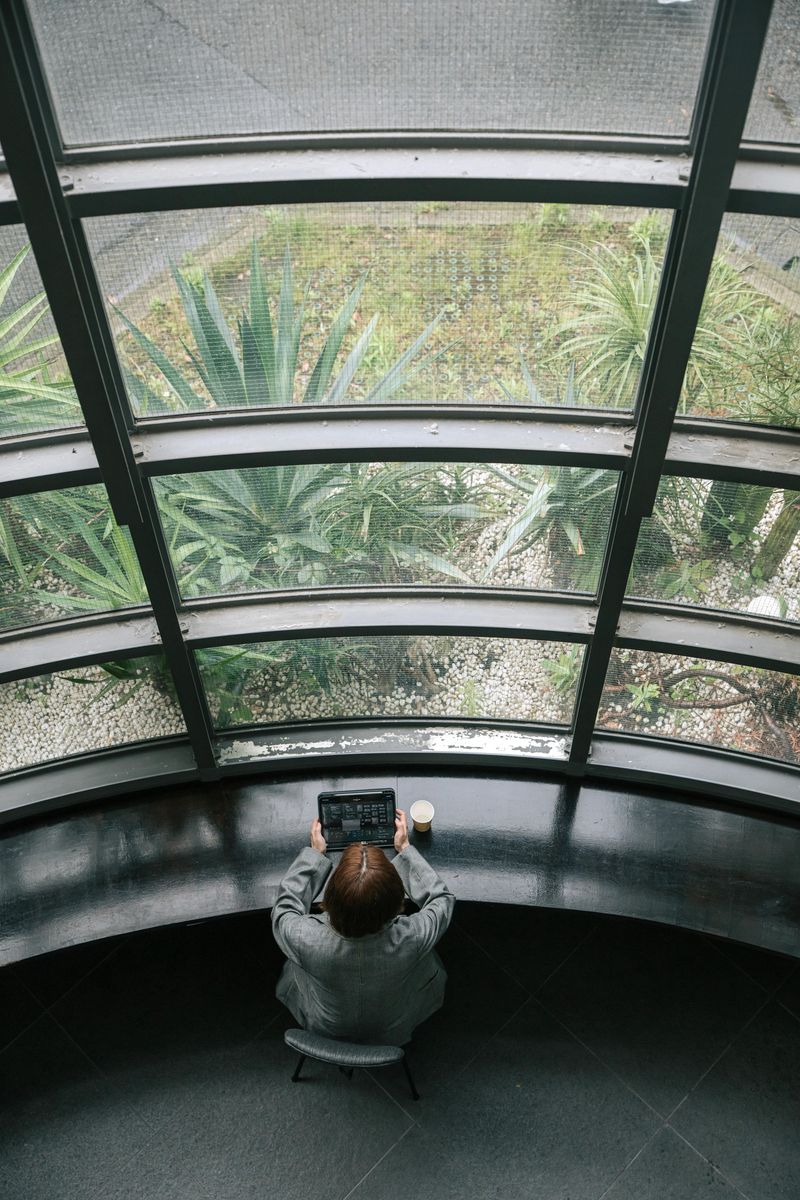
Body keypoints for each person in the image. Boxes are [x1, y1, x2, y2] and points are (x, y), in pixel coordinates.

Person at [272, 809, 455, 1045]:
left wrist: (315, 856)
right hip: (393, 1030)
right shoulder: (414, 937)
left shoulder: (301, 937)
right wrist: (406, 851)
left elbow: (284, 908)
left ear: (329, 900)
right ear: (398, 904)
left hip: (324, 1027)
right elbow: (442, 900)